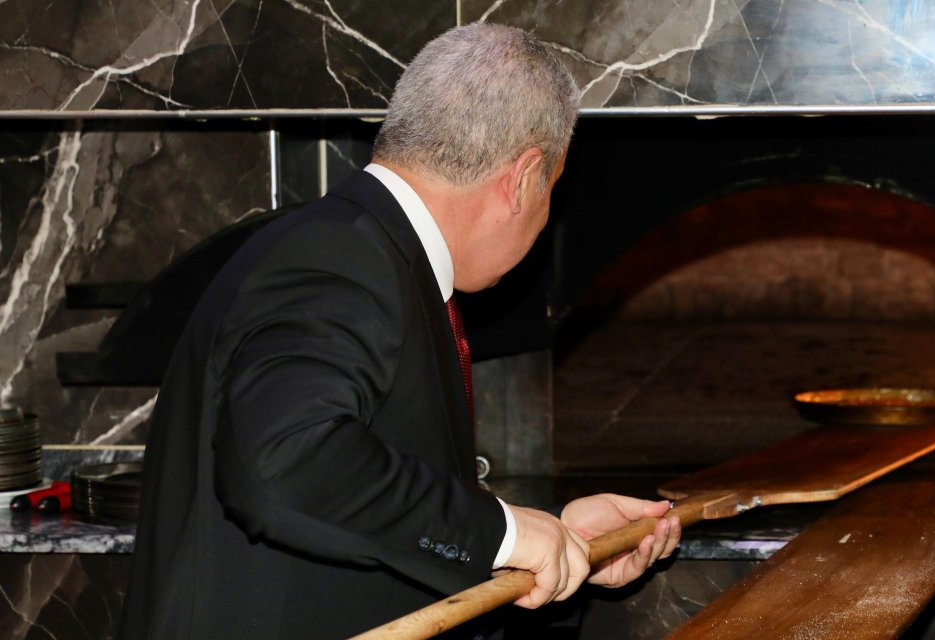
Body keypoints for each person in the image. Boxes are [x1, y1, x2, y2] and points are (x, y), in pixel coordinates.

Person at [119, 24, 681, 639]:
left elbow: (372, 515)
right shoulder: (336, 256)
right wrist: (505, 534)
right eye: (553, 188)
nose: (547, 216)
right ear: (522, 178)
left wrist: (554, 539)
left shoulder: (368, 251)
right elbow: (285, 464)